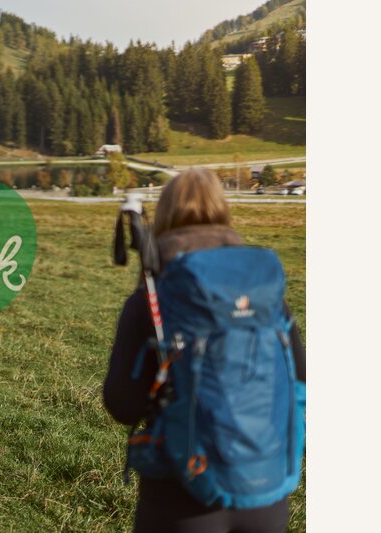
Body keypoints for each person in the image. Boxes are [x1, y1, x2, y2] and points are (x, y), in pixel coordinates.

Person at [103, 169, 306, 532]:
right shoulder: (265, 297)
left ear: (164, 215)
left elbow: (123, 403)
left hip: (181, 493)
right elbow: (300, 381)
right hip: (267, 489)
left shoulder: (152, 296)